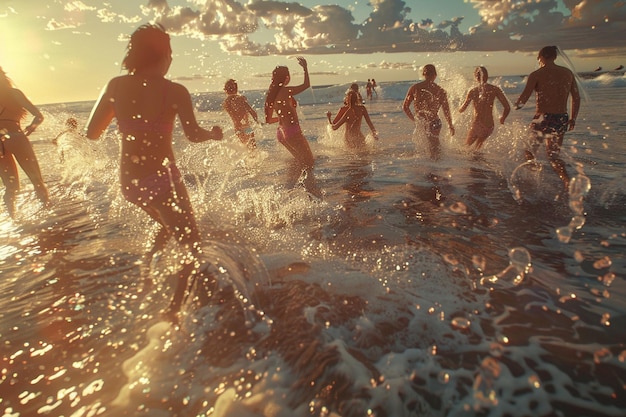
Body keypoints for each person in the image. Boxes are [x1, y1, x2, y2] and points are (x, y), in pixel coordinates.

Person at [85, 24, 223, 320]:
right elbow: (193, 134)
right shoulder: (174, 90)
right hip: (163, 180)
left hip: (130, 184)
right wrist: (212, 134)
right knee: (192, 243)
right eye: (170, 53)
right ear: (164, 55)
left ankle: (146, 273)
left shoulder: (115, 85)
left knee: (164, 224)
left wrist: (127, 119)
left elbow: (92, 132)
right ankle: (174, 311)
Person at [514, 45, 581, 191]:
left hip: (542, 118)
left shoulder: (537, 74)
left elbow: (523, 100)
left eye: (538, 58)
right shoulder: (567, 73)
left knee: (529, 151)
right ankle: (567, 182)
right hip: (562, 117)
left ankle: (535, 180)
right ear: (555, 57)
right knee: (553, 156)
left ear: (541, 57)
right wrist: (573, 118)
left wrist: (514, 106)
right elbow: (576, 97)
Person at [264, 57, 321, 198]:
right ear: (286, 77)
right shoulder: (285, 91)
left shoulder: (270, 94)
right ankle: (308, 191)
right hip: (292, 131)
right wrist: (305, 68)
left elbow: (269, 120)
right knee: (308, 162)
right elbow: (306, 85)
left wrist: (282, 117)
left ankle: (291, 189)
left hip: (282, 133)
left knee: (301, 161)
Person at [0, 67, 50, 217]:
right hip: (16, 137)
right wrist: (31, 128)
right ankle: (47, 215)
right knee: (37, 181)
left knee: (11, 187)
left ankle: (14, 219)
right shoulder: (14, 94)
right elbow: (39, 116)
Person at [402, 64, 455, 160]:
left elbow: (405, 107)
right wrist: (450, 125)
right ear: (435, 75)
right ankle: (438, 167)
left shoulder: (415, 88)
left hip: (422, 121)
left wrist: (414, 120)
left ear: (423, 74)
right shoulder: (441, 91)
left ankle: (433, 170)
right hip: (435, 122)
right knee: (434, 146)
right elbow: (446, 110)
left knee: (426, 149)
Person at [459, 66, 511, 150]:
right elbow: (507, 107)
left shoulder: (473, 91)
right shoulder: (495, 89)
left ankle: (468, 162)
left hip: (477, 124)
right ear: (486, 76)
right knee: (477, 149)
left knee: (465, 148)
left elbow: (462, 109)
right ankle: (478, 161)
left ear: (476, 77)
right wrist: (502, 118)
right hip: (489, 126)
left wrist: (458, 104)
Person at [222, 79, 259, 149]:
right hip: (247, 127)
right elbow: (252, 112)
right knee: (253, 148)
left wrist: (239, 122)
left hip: (237, 128)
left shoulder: (226, 102)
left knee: (246, 148)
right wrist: (257, 122)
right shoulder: (240, 98)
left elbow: (234, 115)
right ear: (236, 89)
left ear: (226, 90)